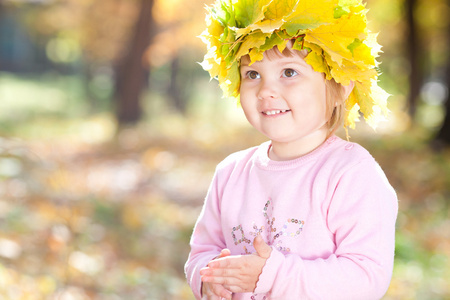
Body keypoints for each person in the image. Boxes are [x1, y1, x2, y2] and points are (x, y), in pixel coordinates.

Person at [185, 0, 398, 299]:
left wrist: (273, 276)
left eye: (289, 72)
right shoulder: (230, 173)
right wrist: (208, 278)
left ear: (340, 84)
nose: (266, 90)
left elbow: (365, 277)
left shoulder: (351, 174)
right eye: (253, 74)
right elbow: (202, 251)